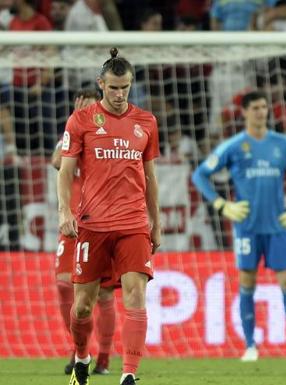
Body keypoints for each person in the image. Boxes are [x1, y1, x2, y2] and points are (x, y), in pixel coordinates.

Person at [58, 48, 161, 385]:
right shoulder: (81, 121)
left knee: (135, 295)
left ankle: (128, 374)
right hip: (92, 225)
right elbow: (65, 170)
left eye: (125, 88)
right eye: (114, 88)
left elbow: (150, 177)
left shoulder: (146, 122)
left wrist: (155, 223)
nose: (119, 95)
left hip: (132, 224)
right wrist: (64, 210)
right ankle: (82, 355)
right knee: (83, 306)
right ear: (101, 84)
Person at [192, 90, 286, 362]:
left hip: (278, 224)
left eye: (264, 107)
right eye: (255, 107)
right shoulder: (234, 146)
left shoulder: (282, 144)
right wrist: (222, 205)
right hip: (246, 226)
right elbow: (200, 175)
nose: (260, 112)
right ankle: (250, 345)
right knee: (247, 282)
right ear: (244, 112)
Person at [51, 89, 116, 376]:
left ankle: (103, 358)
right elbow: (57, 162)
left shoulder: (112, 135)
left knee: (102, 295)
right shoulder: (74, 131)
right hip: (73, 223)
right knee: (66, 285)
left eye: (92, 108)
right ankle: (80, 350)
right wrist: (73, 120)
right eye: (83, 108)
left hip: (102, 221)